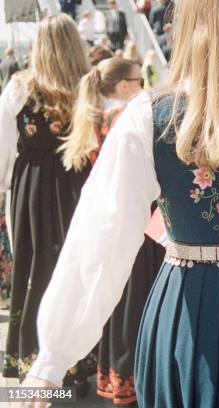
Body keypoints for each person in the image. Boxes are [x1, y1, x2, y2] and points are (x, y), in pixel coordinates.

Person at [24, 1, 219, 407]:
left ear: (189, 24)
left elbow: (101, 240)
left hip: (187, 312)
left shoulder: (148, 116)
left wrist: (51, 362)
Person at [0, 14, 96, 396]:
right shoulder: (89, 86)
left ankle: (31, 359)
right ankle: (75, 364)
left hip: (33, 183)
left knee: (33, 263)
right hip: (78, 178)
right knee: (73, 267)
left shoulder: (20, 87)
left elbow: (5, 144)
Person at [59, 57, 162, 406]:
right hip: (139, 225)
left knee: (117, 303)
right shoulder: (122, 117)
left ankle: (117, 383)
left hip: (112, 220)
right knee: (135, 306)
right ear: (124, 85)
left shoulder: (94, 115)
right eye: (140, 80)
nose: (144, 87)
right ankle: (135, 382)